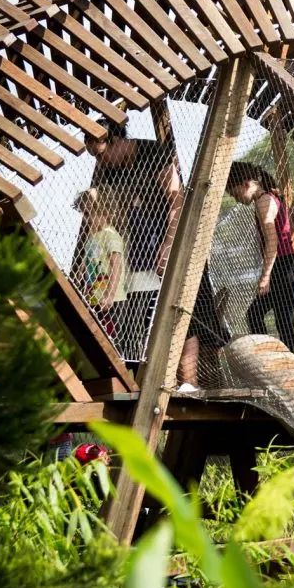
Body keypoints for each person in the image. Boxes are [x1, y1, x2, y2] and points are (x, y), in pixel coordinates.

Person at [84, 127, 182, 361]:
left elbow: (177, 199)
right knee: (133, 324)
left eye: (100, 155)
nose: (100, 162)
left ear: (115, 140)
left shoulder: (154, 153)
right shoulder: (110, 171)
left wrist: (169, 244)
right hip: (135, 256)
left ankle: (183, 380)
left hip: (166, 242)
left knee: (179, 312)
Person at [226, 161, 294, 352]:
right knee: (259, 314)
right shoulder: (268, 197)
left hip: (284, 265)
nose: (237, 200)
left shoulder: (264, 202)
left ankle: (284, 363)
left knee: (282, 318)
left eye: (236, 194)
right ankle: (270, 356)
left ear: (246, 184)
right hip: (285, 265)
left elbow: (272, 241)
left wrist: (265, 276)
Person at [73, 188, 127, 339]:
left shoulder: (111, 236)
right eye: (84, 214)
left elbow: (116, 266)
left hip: (111, 301)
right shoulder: (92, 237)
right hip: (94, 297)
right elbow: (86, 260)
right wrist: (78, 275)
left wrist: (109, 295)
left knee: (108, 338)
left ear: (105, 212)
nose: (86, 218)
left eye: (89, 214)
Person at [174, 264, 231, 393]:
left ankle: (198, 383)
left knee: (202, 330)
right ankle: (191, 383)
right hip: (191, 299)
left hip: (195, 281)